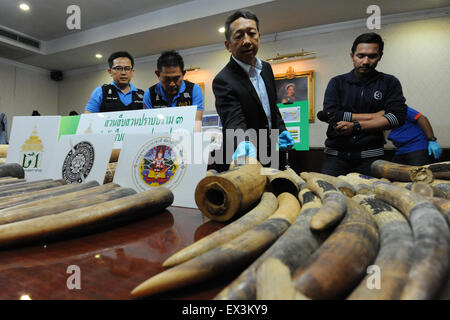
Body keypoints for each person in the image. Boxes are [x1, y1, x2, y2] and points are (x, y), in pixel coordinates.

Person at [212, 9, 294, 170]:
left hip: (269, 150)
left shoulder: (266, 68)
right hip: (242, 153)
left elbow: (272, 107)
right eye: (239, 36)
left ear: (259, 36)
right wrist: (243, 142)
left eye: (251, 33)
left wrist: (281, 129)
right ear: (228, 45)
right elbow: (233, 119)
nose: (247, 41)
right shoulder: (223, 80)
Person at [320, 32, 407, 177]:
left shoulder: (390, 82)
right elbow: (332, 114)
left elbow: (397, 117)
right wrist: (375, 116)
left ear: (380, 56)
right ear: (352, 56)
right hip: (335, 157)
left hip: (371, 158)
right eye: (360, 56)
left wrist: (356, 126)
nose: (366, 61)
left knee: (369, 198)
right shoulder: (337, 82)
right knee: (330, 196)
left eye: (372, 56)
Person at [143, 50, 204, 130]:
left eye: (176, 78)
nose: (172, 84)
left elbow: (197, 124)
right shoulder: (149, 94)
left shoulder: (194, 90)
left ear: (183, 74)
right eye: (167, 79)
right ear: (158, 74)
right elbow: (148, 128)